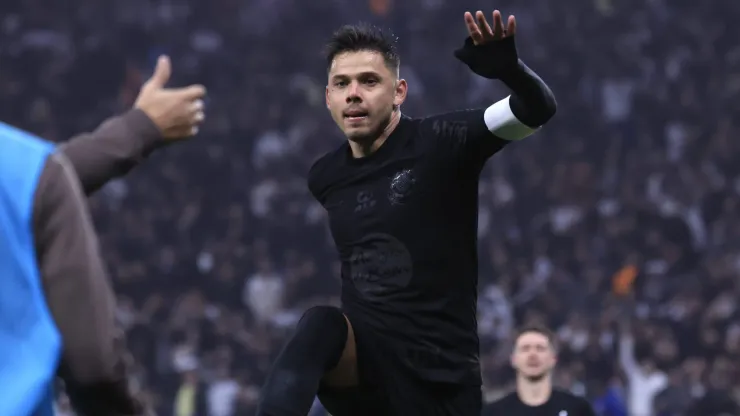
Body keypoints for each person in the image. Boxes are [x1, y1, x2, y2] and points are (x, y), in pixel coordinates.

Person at [257, 10, 557, 416]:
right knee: (320, 325)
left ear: (399, 92)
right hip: (366, 374)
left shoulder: (444, 142)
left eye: (369, 81)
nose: (354, 94)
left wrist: (512, 71)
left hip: (440, 383)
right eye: (341, 84)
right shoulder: (325, 176)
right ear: (328, 97)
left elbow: (536, 110)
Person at [0, 55, 206, 416]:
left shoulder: (31, 178)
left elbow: (32, 191)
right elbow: (94, 369)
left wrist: (138, 130)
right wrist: (138, 130)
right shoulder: (23, 170)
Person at [482, 326, 596, 416]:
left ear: (553, 359)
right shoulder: (493, 412)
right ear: (514, 359)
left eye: (540, 348)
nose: (533, 355)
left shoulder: (578, 409)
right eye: (525, 348)